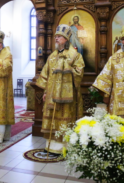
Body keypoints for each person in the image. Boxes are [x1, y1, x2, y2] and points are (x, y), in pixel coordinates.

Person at [36, 24, 85, 155]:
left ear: (66, 39)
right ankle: (51, 146)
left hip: (68, 96)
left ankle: (65, 147)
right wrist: (46, 92)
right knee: (53, 119)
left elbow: (79, 73)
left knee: (66, 119)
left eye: (59, 37)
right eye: (56, 36)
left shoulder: (75, 55)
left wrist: (67, 67)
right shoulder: (52, 56)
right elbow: (46, 75)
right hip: (52, 95)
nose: (56, 39)